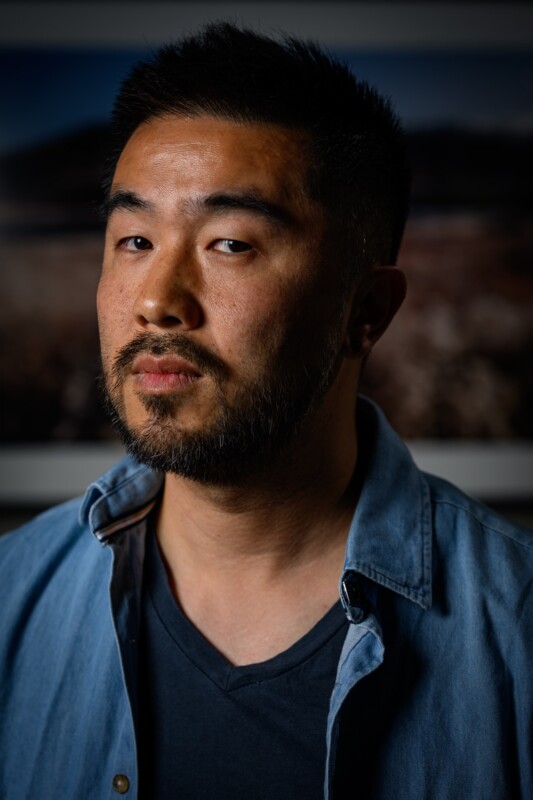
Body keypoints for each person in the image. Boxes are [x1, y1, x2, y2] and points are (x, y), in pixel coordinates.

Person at [0, 22, 531, 800]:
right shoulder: (13, 601)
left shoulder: (513, 629)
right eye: (135, 238)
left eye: (229, 244)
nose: (155, 300)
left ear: (366, 308)